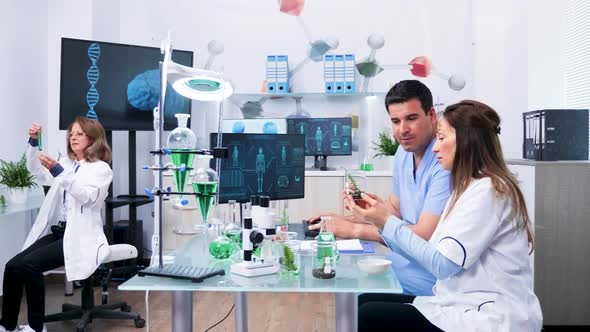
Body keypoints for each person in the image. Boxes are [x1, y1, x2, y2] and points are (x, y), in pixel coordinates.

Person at [354, 100, 543, 331]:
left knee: (369, 315)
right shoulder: (466, 189)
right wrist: (381, 222)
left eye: (441, 138)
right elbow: (429, 254)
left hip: (491, 317)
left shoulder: (489, 191)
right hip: (460, 304)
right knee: (362, 303)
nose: (435, 147)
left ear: (466, 140)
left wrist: (387, 221)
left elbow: (442, 265)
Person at [308, 80, 451, 296]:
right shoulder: (403, 154)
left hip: (431, 274)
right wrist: (352, 216)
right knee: (347, 274)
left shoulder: (443, 161)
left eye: (411, 118)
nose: (402, 129)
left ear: (432, 116)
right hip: (404, 259)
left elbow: (424, 235)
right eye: (395, 121)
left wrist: (355, 230)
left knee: (353, 285)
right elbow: (395, 209)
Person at [0, 117, 113, 332]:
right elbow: (34, 170)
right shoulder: (68, 164)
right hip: (60, 232)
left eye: (80, 134)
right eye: (72, 134)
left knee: (29, 265)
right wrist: (34, 142)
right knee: (13, 266)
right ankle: (8, 326)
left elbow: (87, 197)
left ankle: (36, 326)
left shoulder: (100, 169)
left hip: (80, 236)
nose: (73, 137)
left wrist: (59, 172)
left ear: (94, 138)